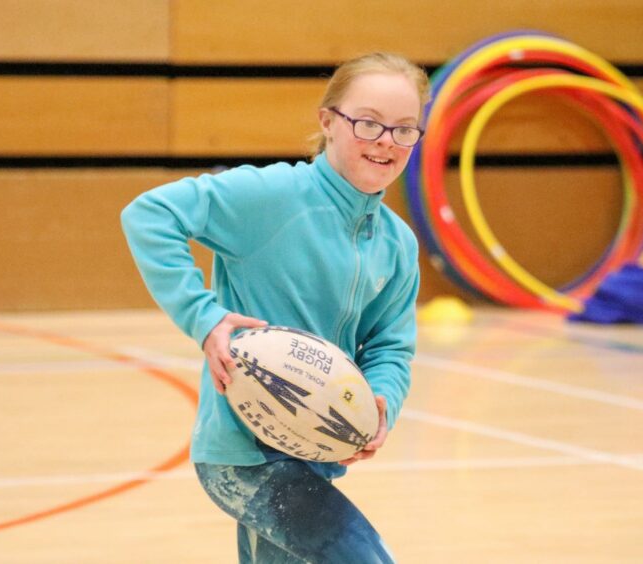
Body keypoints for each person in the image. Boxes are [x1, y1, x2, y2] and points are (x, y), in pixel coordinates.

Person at [121, 52, 430, 563]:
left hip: (314, 453)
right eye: (369, 123)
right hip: (244, 456)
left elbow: (390, 344)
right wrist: (205, 318)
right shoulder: (271, 197)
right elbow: (150, 215)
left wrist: (379, 401)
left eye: (404, 129)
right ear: (328, 122)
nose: (385, 141)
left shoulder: (397, 243)